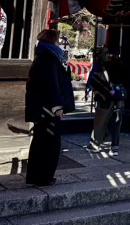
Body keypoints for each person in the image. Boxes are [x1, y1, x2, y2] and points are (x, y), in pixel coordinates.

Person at [25, 29, 75, 186]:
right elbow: (52, 86)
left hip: (42, 108)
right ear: (53, 41)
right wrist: (57, 106)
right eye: (58, 40)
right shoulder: (48, 60)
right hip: (48, 110)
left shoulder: (43, 57)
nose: (59, 43)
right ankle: (44, 177)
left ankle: (36, 176)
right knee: (49, 143)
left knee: (40, 141)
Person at [87, 48, 127, 155]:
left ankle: (95, 145)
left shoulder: (103, 65)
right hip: (119, 97)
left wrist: (92, 90)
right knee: (116, 122)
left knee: (100, 122)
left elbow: (95, 81)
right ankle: (114, 147)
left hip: (105, 97)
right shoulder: (123, 65)